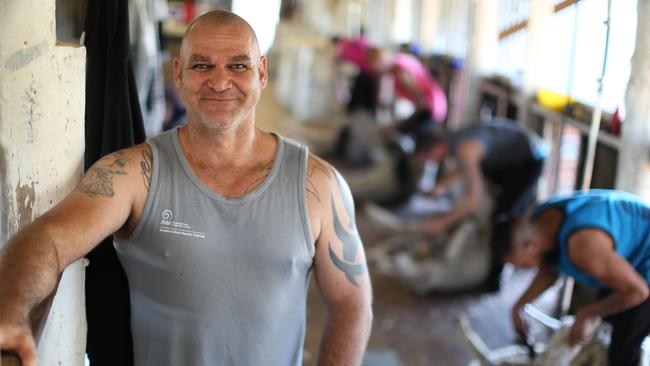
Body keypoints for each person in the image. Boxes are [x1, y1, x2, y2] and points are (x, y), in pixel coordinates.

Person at [0, 10, 372, 366]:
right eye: (202, 65)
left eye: (238, 65)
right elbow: (48, 240)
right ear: (179, 73)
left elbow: (351, 303)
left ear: (261, 73)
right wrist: (12, 313)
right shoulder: (134, 174)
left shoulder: (317, 184)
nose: (220, 81)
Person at [507, 189, 650, 366]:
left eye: (523, 265)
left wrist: (586, 314)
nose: (527, 269)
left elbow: (638, 292)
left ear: (532, 246)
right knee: (603, 330)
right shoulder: (542, 219)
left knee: (622, 352)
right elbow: (548, 271)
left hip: (641, 279)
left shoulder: (583, 247)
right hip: (628, 264)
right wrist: (518, 307)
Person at [414, 118, 547, 291]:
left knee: (502, 217)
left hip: (530, 160)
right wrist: (439, 187)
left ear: (436, 147)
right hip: (515, 155)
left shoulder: (465, 149)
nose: (431, 162)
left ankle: (493, 279)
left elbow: (473, 198)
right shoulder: (454, 140)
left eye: (428, 157)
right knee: (493, 210)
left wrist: (442, 223)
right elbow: (463, 167)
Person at [367, 47, 447, 135]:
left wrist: (404, 123)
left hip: (431, 109)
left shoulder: (401, 73)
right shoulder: (401, 59)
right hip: (435, 104)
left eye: (375, 66)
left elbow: (421, 100)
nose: (376, 71)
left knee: (398, 133)